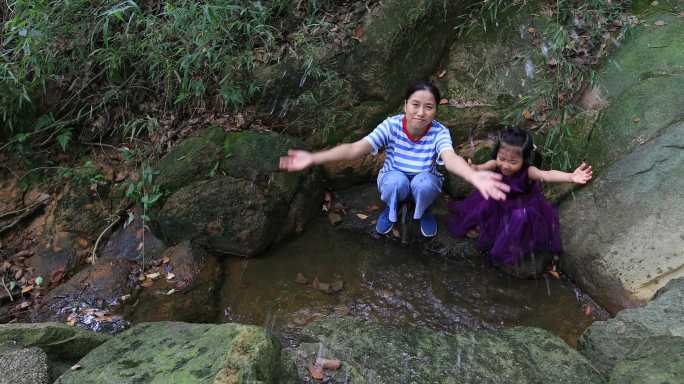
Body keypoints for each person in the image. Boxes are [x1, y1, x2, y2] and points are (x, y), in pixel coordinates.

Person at [279, 81, 510, 237]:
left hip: (425, 180)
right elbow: (355, 149)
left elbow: (449, 159)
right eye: (415, 105)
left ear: (436, 110)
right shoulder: (391, 125)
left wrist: (472, 176)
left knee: (425, 182)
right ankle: (390, 209)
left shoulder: (439, 132)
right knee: (396, 182)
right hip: (393, 177)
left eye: (428, 107)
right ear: (405, 105)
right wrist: (314, 157)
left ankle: (422, 210)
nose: (421, 113)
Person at [446, 126, 593, 265]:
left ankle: (508, 245)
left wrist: (571, 177)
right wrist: (473, 168)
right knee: (483, 203)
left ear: (524, 159)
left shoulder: (528, 171)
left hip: (520, 205)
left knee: (519, 219)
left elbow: (547, 174)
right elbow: (480, 168)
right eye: (502, 158)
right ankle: (483, 228)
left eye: (513, 162)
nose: (505, 165)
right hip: (498, 199)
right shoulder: (494, 164)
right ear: (497, 153)